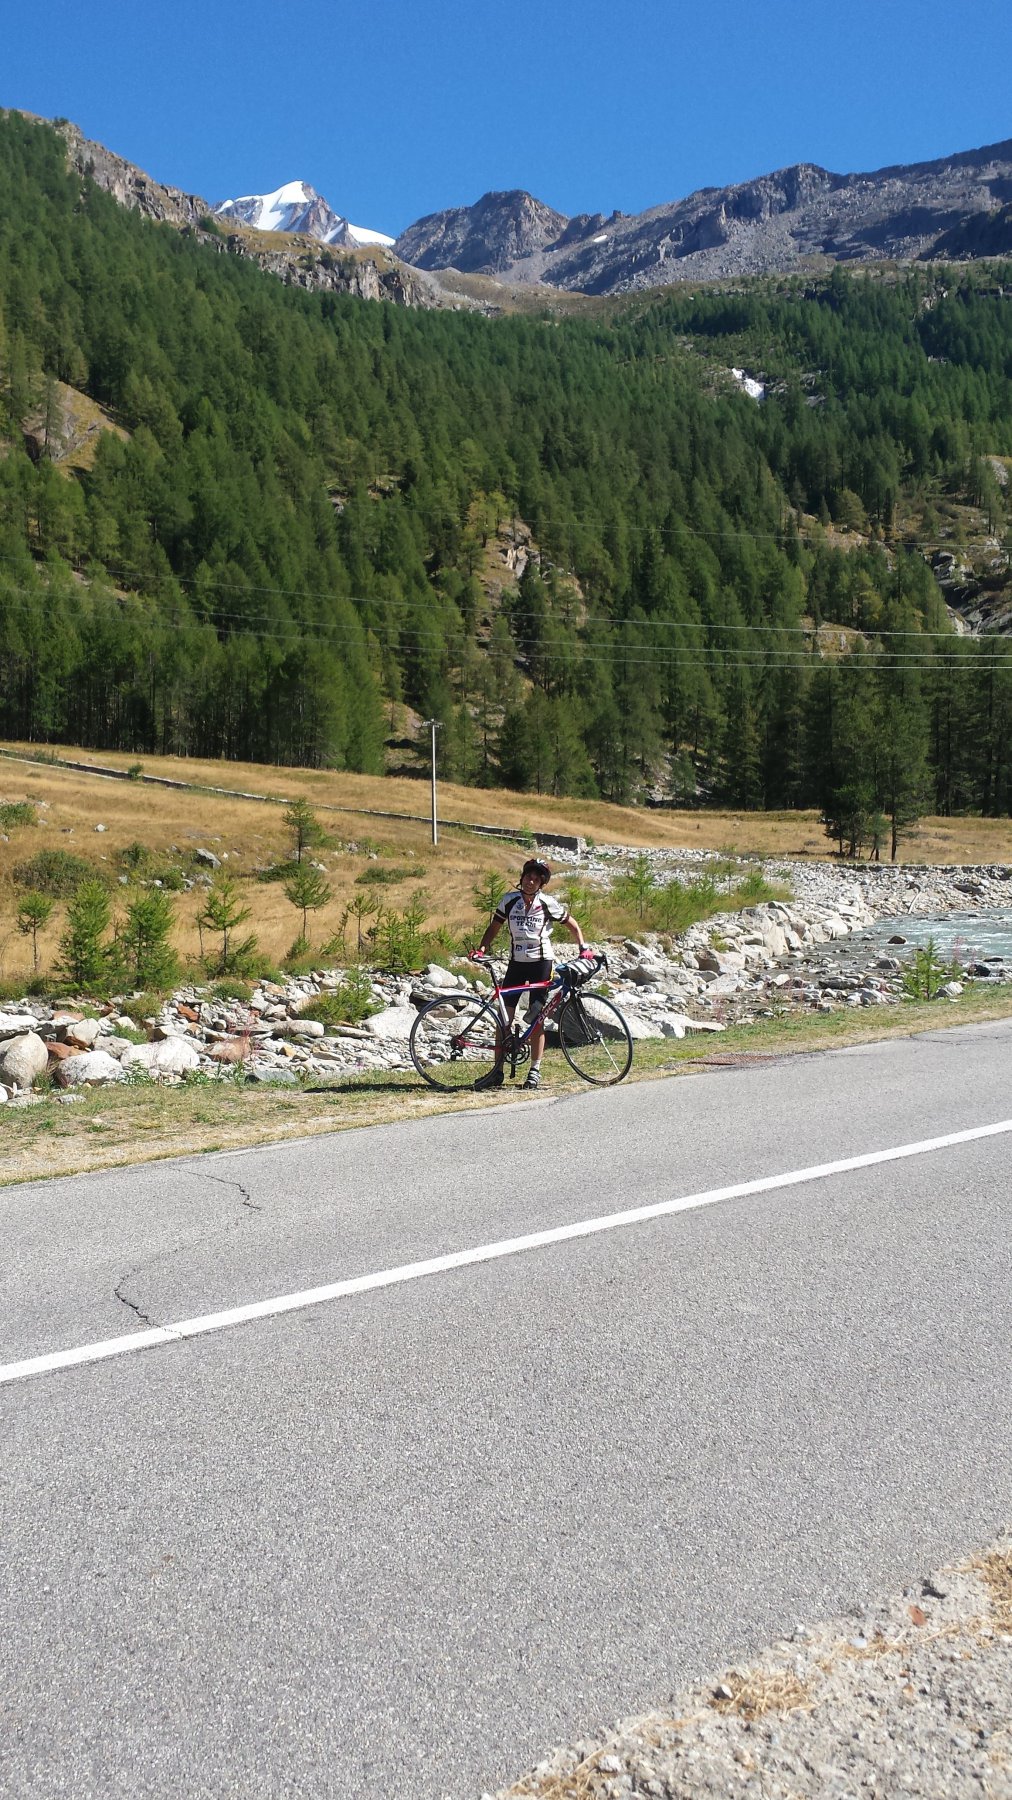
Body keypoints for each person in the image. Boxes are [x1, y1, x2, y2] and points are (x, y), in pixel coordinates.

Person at [470, 857, 593, 1092]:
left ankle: (534, 1070)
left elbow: (572, 924)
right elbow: (494, 927)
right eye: (528, 876)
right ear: (522, 877)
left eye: (536, 879)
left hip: (541, 963)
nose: (530, 881)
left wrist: (583, 947)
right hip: (516, 962)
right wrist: (482, 948)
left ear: (541, 884)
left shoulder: (548, 903)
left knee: (537, 1017)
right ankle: (497, 1070)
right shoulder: (509, 900)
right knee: (503, 1016)